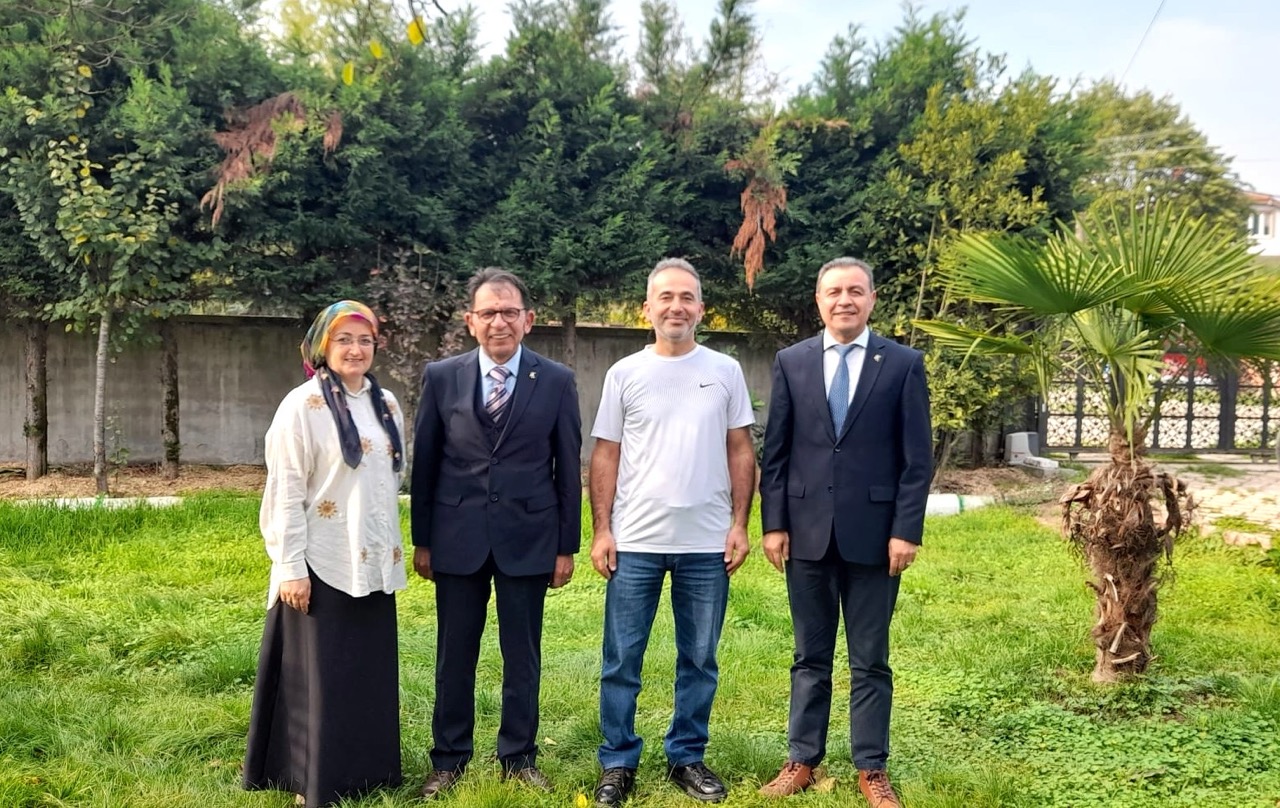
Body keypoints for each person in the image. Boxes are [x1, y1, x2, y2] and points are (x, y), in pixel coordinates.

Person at [757, 258, 931, 807]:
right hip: (806, 533)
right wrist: (774, 524)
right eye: (834, 291)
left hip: (877, 538)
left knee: (870, 659)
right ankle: (802, 759)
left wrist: (905, 530)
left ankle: (871, 767)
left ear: (872, 299)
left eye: (856, 291)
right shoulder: (792, 362)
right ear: (819, 300)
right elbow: (776, 453)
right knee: (809, 656)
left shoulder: (902, 364)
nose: (845, 300)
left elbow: (917, 460)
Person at [588, 258, 756, 806]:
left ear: (701, 309)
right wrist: (602, 530)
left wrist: (739, 524)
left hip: (707, 544)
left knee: (699, 659)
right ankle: (618, 761)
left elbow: (740, 450)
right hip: (634, 542)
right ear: (647, 308)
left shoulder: (726, 370)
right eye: (665, 297)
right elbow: (606, 454)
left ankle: (686, 755)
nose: (676, 306)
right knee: (621, 660)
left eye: (686, 297)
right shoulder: (624, 373)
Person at [410, 267, 582, 797]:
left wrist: (566, 546)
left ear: (528, 319)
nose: (499, 322)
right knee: (454, 654)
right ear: (470, 321)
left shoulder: (556, 380)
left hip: (529, 538)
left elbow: (567, 467)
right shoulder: (442, 377)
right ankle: (449, 759)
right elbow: (425, 463)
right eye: (488, 313)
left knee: (522, 656)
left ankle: (518, 757)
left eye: (509, 312)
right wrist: (423, 540)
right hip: (456, 538)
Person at [244, 300, 407, 808]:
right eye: (344, 339)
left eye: (365, 340)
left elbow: (389, 481)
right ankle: (309, 780)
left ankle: (367, 773)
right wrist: (290, 566)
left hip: (373, 561)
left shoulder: (386, 403)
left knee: (365, 673)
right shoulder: (301, 406)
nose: (356, 349)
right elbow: (285, 491)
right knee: (320, 678)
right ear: (322, 346)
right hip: (320, 561)